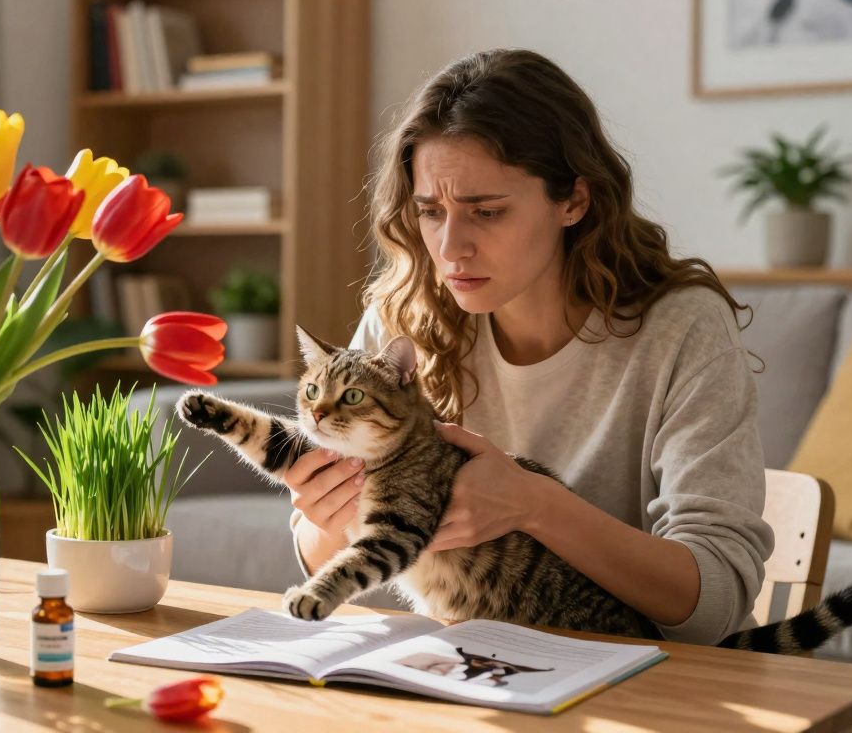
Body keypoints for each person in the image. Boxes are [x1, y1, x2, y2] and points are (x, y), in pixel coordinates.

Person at [287, 48, 774, 646]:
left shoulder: (681, 328)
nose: (450, 248)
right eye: (431, 212)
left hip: (658, 676)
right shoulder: (402, 319)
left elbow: (716, 602)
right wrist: (324, 514)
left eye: (486, 212)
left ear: (574, 200)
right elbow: (318, 561)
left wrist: (535, 505)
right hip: (486, 667)